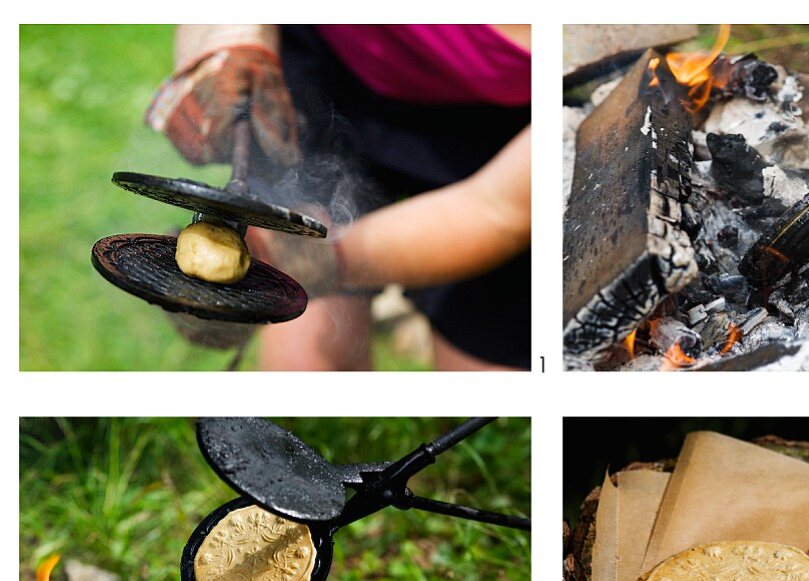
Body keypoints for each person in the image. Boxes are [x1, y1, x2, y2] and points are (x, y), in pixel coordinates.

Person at [147, 24, 531, 371]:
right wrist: (226, 37)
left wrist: (323, 258)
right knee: (302, 374)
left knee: (484, 406)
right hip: (331, 66)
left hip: (498, 129)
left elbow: (498, 207)